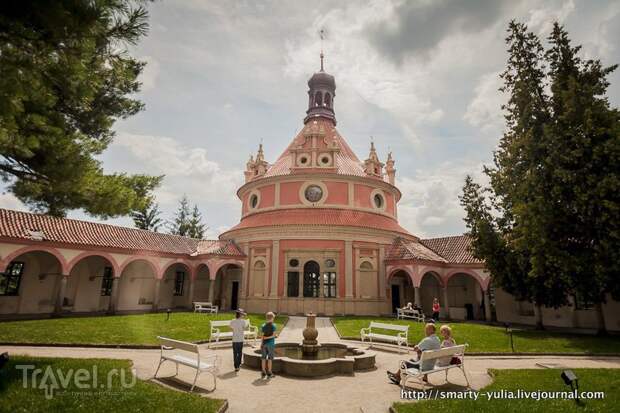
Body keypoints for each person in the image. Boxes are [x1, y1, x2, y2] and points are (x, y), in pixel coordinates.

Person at [260, 311, 277, 379]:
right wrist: (269, 337)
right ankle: (269, 372)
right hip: (270, 344)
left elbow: (262, 336)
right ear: (272, 318)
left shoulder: (263, 325)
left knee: (263, 358)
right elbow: (273, 335)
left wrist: (261, 343)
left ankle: (263, 371)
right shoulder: (274, 325)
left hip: (264, 344)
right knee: (270, 358)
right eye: (273, 318)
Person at [230, 308, 247, 372]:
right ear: (241, 315)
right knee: (239, 352)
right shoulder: (243, 321)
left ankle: (236, 366)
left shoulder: (232, 321)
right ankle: (238, 365)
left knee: (235, 353)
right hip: (240, 339)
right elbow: (244, 328)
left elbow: (231, 328)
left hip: (234, 339)